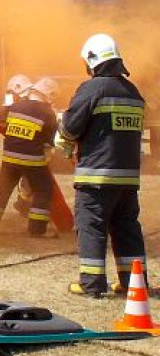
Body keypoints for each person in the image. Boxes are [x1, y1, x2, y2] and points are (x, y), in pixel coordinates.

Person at [59, 34, 148, 297]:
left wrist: (63, 131)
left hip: (97, 176)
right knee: (127, 229)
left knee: (91, 227)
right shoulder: (133, 92)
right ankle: (134, 283)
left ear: (92, 60)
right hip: (128, 179)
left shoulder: (93, 89)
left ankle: (92, 284)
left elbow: (71, 127)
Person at [0, 77, 59, 237]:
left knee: (2, 189)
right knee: (43, 189)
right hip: (32, 160)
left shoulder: (16, 106)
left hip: (9, 157)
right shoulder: (47, 112)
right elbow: (50, 139)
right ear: (49, 96)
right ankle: (37, 230)